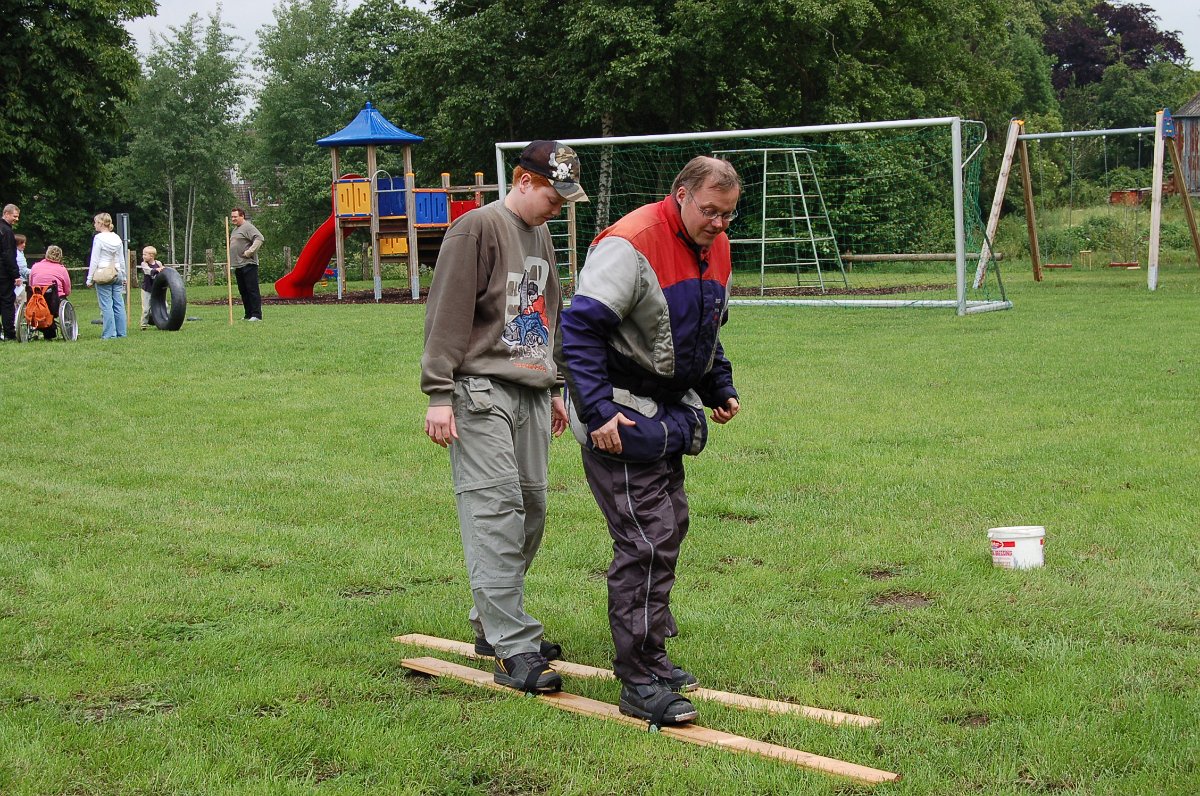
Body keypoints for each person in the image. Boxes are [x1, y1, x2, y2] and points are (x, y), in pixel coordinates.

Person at [558, 156, 742, 726]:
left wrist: (719, 385)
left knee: (670, 527)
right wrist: (597, 412)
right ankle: (638, 678)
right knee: (647, 538)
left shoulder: (715, 245)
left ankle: (654, 659)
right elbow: (578, 331)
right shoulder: (630, 242)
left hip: (667, 410)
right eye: (710, 211)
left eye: (728, 215)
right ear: (680, 194)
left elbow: (705, 328)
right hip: (619, 411)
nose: (719, 224)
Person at [420, 140, 588, 694]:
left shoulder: (540, 233)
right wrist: (439, 392)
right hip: (480, 391)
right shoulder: (475, 229)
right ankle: (514, 647)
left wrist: (557, 384)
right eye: (552, 196)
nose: (558, 207)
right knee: (496, 509)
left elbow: (550, 311)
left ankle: (491, 626)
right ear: (522, 179)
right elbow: (446, 312)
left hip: (533, 393)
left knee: (530, 510)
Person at [86, 212, 127, 339]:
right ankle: (122, 332)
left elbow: (95, 260)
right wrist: (124, 276)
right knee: (118, 303)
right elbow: (121, 259)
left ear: (101, 223)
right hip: (117, 272)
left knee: (106, 305)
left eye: (96, 222)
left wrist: (89, 278)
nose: (94, 225)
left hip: (104, 273)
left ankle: (110, 333)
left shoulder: (99, 239)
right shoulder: (117, 238)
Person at [28, 245, 71, 340]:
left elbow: (31, 284)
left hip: (36, 300)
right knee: (64, 300)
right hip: (54, 300)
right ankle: (68, 327)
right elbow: (67, 290)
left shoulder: (35, 267)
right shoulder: (62, 269)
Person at [229, 208, 264, 321]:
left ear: (242, 216)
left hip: (248, 264)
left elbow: (259, 238)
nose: (233, 219)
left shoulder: (247, 227)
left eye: (235, 216)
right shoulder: (235, 230)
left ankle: (256, 315)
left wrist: (250, 252)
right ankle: (248, 314)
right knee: (243, 291)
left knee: (252, 290)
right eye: (232, 217)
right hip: (238, 265)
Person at [0, 204, 22, 342]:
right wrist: (15, 274)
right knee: (7, 302)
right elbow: (8, 255)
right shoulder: (6, 231)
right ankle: (9, 333)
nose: (16, 219)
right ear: (6, 214)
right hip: (3, 273)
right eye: (14, 216)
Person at [137, 246, 164, 329]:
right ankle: (143, 324)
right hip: (147, 289)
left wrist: (162, 269)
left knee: (164, 306)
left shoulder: (158, 263)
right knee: (146, 309)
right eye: (143, 254)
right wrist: (157, 270)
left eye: (145, 254)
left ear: (151, 256)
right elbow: (147, 271)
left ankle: (167, 321)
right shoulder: (144, 264)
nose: (143, 256)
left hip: (157, 289)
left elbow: (162, 271)